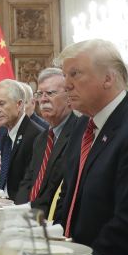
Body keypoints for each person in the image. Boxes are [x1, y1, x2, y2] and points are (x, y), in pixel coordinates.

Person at [53, 39, 128, 255]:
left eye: (75, 74)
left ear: (108, 78)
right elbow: (67, 195)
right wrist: (58, 248)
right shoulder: (82, 126)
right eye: (65, 75)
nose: (66, 84)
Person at [16, 66, 81, 213]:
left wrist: (31, 214)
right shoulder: (41, 139)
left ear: (69, 97)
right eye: (40, 94)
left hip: (53, 220)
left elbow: (55, 188)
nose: (43, 99)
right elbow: (27, 182)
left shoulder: (79, 135)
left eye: (50, 93)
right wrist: (17, 211)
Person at [0, 78, 42, 199]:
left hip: (15, 206)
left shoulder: (36, 135)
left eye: (1, 103)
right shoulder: (3, 131)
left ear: (19, 104)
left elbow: (30, 187)